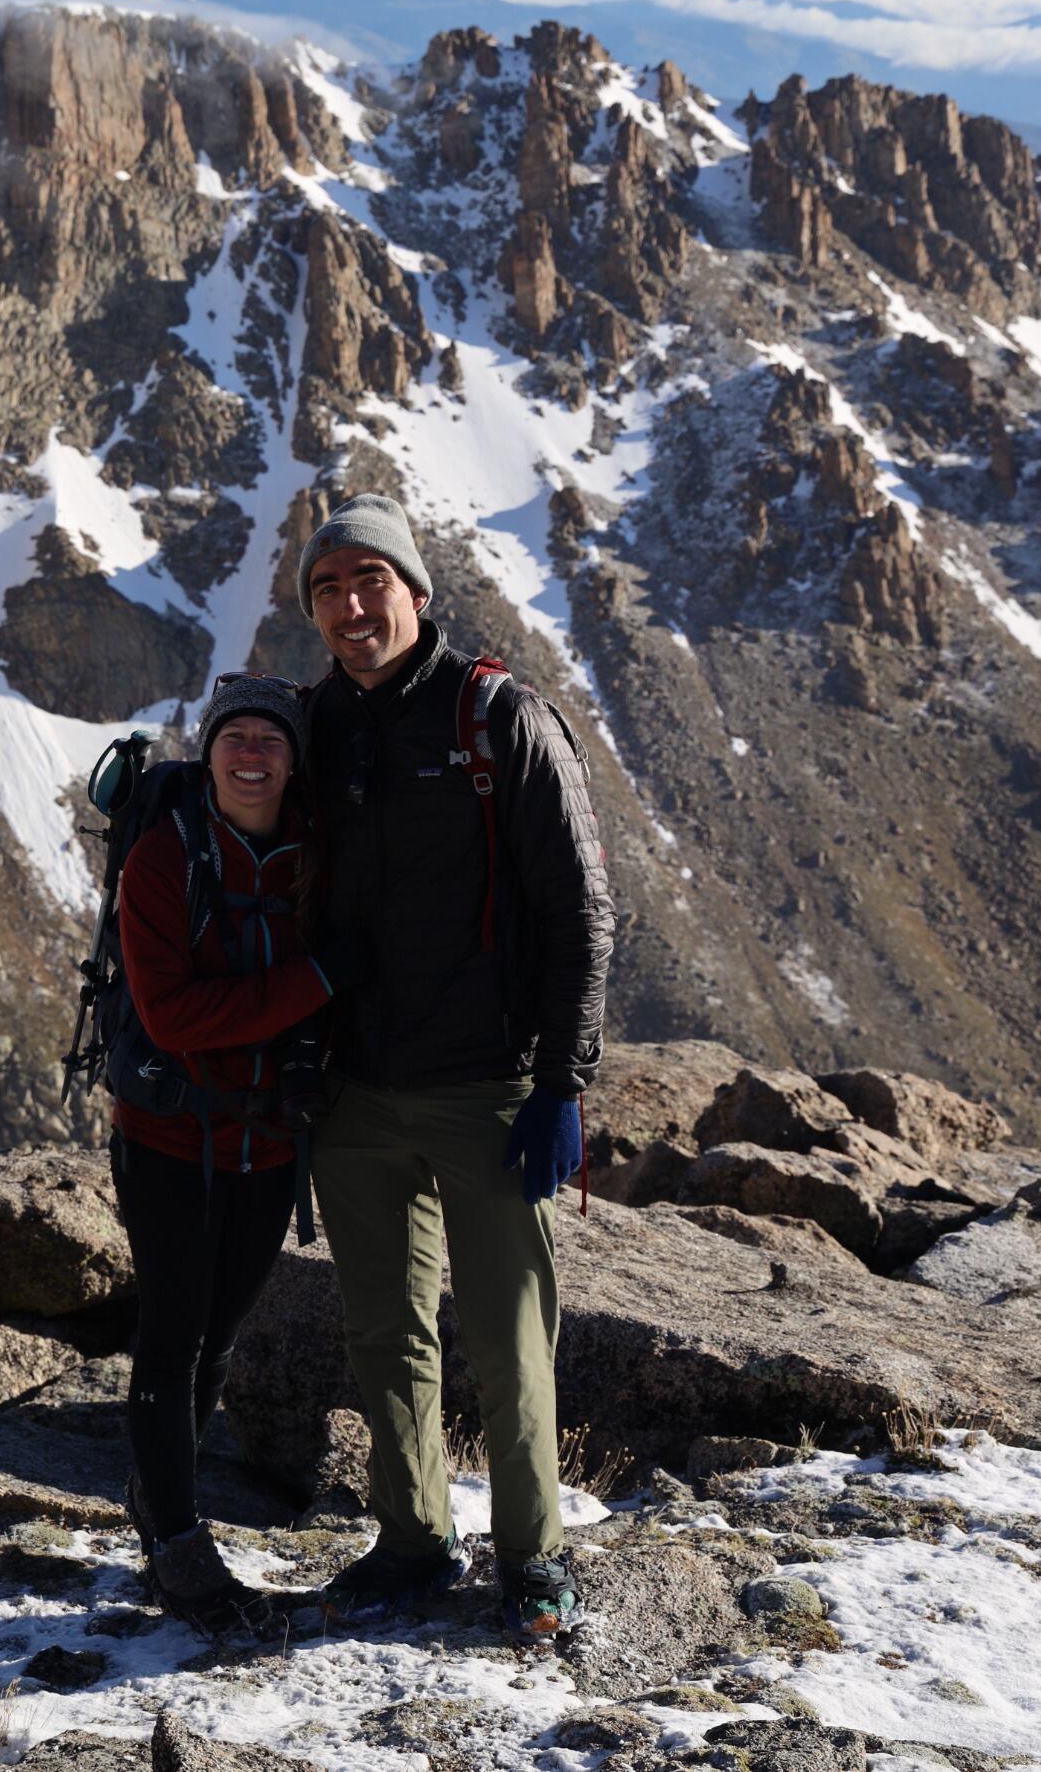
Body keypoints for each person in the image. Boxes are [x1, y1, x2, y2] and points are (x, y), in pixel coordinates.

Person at [298, 492, 613, 1639]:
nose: (348, 605)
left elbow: (579, 907)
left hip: (489, 1085)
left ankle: (531, 1557)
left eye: (367, 580)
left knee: (508, 1333)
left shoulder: (499, 717)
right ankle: (411, 1538)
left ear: (414, 591)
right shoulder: (310, 729)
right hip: (357, 1094)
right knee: (383, 1330)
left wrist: (562, 1082)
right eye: (326, 589)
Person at [111, 671, 367, 1638]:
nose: (251, 755)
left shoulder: (317, 857)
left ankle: (158, 1496)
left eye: (270, 740)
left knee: (220, 1336)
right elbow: (172, 1016)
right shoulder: (161, 862)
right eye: (234, 738)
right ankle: (176, 1541)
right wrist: (312, 981)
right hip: (171, 1135)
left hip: (269, 1142)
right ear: (208, 750)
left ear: (294, 761)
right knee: (173, 1335)